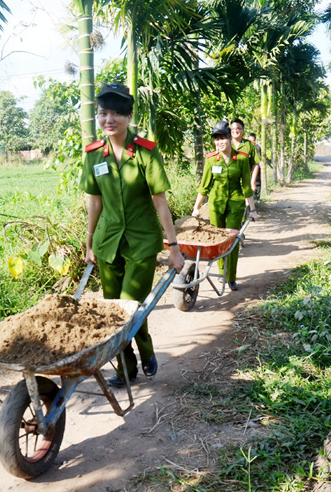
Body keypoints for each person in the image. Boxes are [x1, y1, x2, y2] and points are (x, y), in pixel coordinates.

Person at [79, 83, 185, 388]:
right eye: (103, 113)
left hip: (141, 242)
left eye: (115, 113)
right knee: (114, 310)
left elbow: (160, 201)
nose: (108, 119)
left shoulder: (145, 153)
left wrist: (174, 247)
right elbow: (94, 203)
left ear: (127, 116)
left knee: (128, 306)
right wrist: (88, 245)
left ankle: (146, 349)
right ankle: (126, 371)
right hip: (107, 243)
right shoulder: (93, 156)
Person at [192, 120, 258, 291]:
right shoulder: (211, 160)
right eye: (216, 139)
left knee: (231, 241)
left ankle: (231, 277)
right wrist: (196, 207)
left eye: (223, 138)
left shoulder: (241, 159)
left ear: (230, 138)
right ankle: (222, 272)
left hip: (235, 206)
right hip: (215, 205)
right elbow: (204, 187)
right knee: (218, 241)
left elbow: (246, 187)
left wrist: (252, 209)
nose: (220, 142)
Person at [230, 119, 261, 194]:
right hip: (229, 182)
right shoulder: (226, 144)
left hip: (245, 182)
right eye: (233, 129)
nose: (235, 131)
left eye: (238, 128)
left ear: (243, 130)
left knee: (245, 204)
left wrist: (253, 182)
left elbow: (255, 164)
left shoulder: (250, 145)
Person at [247, 132, 262, 200]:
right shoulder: (246, 147)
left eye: (252, 139)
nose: (251, 141)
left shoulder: (257, 147)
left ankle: (256, 198)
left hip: (256, 167)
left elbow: (257, 160)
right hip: (247, 167)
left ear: (255, 140)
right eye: (249, 139)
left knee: (257, 182)